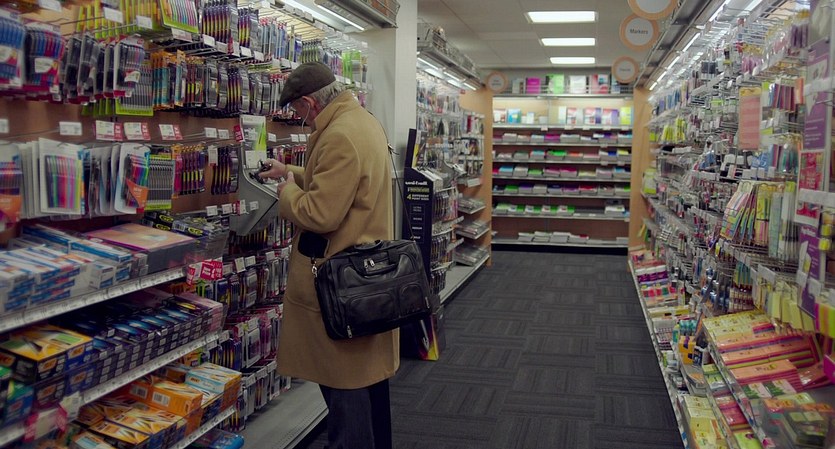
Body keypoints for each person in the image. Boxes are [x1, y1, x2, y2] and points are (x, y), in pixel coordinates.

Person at [258, 61, 397, 449]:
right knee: (364, 379)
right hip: (363, 273)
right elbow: (343, 180)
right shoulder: (360, 121)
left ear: (308, 102)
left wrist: (288, 192)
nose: (298, 118)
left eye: (297, 110)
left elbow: (320, 214)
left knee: (343, 382)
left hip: (339, 281)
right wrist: (290, 170)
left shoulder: (338, 135)